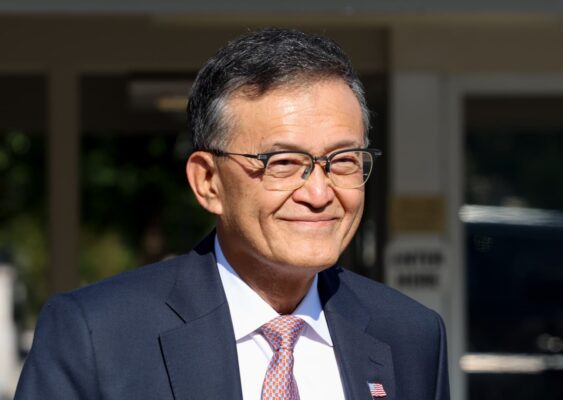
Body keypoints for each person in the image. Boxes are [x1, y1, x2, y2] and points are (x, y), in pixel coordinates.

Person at [15, 28, 450, 400]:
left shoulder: (411, 335)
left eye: (342, 161)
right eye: (283, 163)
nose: (319, 193)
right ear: (208, 182)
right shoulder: (97, 335)